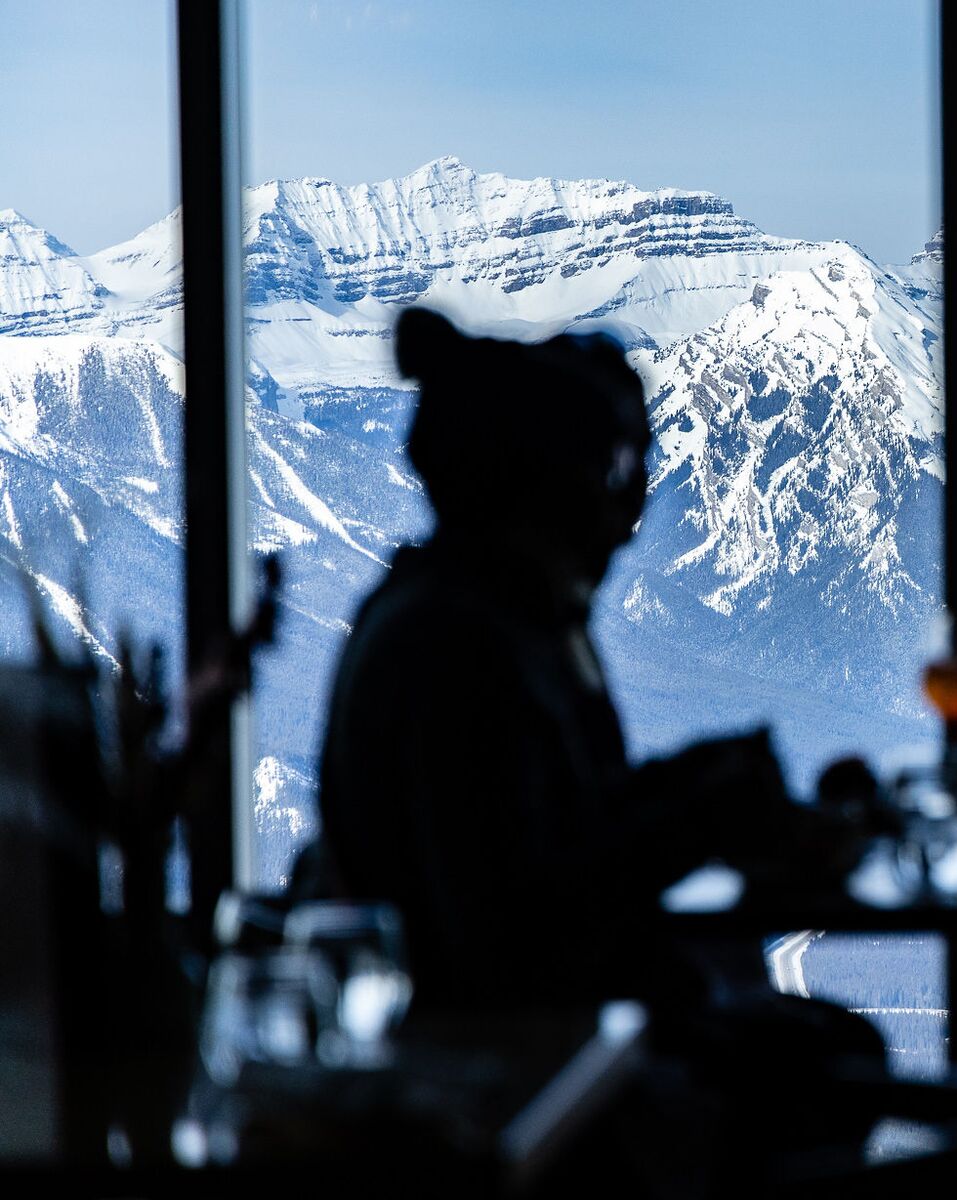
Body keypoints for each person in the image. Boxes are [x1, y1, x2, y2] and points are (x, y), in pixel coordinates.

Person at [299, 308, 881, 1180]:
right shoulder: (471, 644)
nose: (630, 519)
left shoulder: (480, 615)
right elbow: (516, 928)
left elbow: (545, 834)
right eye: (616, 475)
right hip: (527, 1084)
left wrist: (704, 786)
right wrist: (703, 810)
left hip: (540, 1049)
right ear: (549, 483)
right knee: (835, 1066)